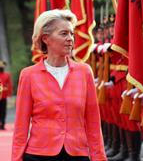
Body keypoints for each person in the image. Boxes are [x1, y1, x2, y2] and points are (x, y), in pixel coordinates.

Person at [12, 9, 107, 161]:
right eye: (64, 34)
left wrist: (99, 158)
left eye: (72, 34)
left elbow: (93, 122)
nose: (70, 39)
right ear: (45, 38)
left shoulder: (84, 72)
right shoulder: (28, 75)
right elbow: (20, 127)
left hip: (77, 154)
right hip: (39, 155)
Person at [0, 60, 13, 130]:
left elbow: (9, 85)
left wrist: (9, 93)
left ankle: (2, 124)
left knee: (3, 110)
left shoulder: (7, 75)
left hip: (3, 95)